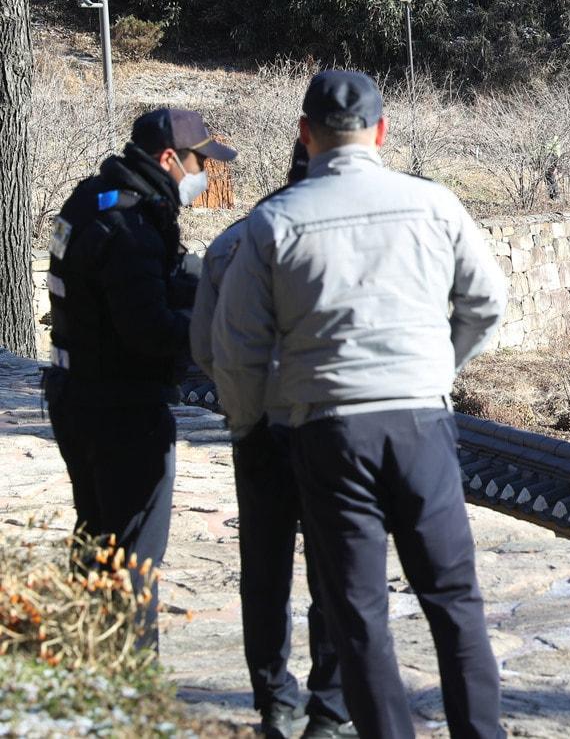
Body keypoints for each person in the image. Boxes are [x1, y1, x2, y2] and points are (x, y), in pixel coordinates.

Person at [210, 70, 509, 738]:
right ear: (381, 132)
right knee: (455, 599)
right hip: (420, 424)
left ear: (304, 135)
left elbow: (236, 349)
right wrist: (436, 368)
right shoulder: (435, 204)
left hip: (328, 431)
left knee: (358, 611)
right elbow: (488, 304)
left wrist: (249, 420)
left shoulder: (272, 223)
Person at [43, 107, 237, 650]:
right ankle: (130, 688)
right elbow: (147, 330)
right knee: (132, 557)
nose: (206, 174)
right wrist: (218, 331)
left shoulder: (96, 196)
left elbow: (155, 277)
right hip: (122, 408)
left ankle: (82, 667)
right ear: (169, 158)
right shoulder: (128, 224)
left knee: (96, 542)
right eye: (201, 161)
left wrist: (207, 278)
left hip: (77, 393)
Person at [190, 141, 353, 739]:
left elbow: (207, 347)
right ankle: (331, 709)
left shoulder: (234, 239)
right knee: (335, 568)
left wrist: (246, 415)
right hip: (333, 429)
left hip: (259, 427)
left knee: (264, 570)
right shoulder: (350, 239)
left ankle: (274, 701)